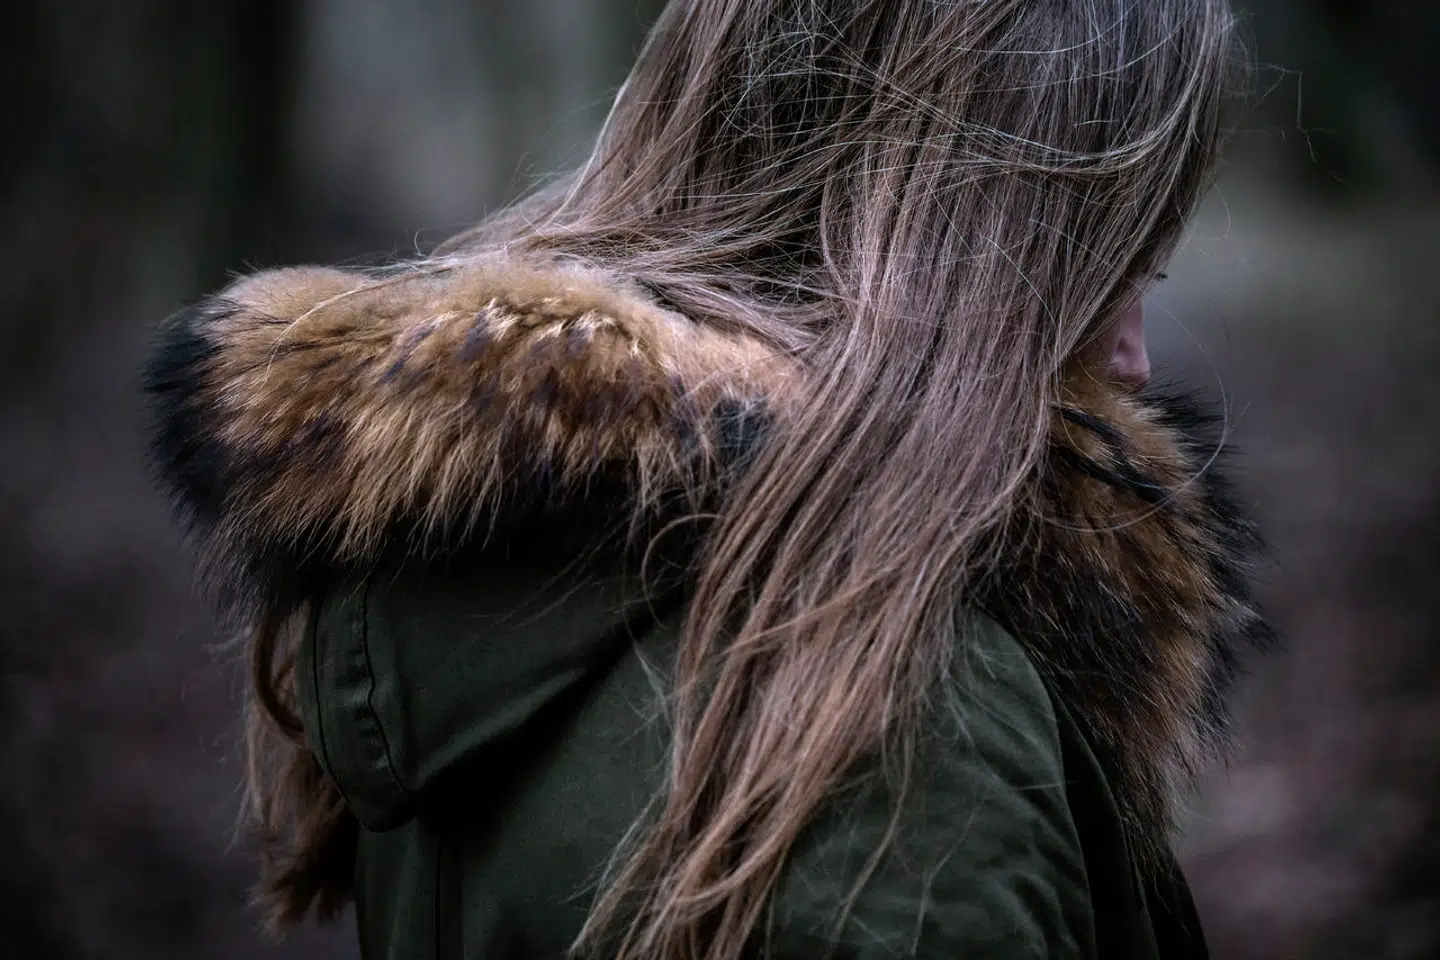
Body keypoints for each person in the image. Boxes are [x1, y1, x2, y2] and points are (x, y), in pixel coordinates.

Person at [145, 0, 1272, 956]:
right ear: (966, 258)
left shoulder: (473, 561)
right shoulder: (887, 737)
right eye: (1116, 267)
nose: (1132, 356)